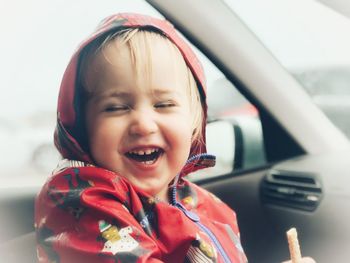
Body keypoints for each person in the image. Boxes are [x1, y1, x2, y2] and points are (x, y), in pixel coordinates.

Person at [35, 13, 314, 263]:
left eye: (164, 105)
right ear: (83, 126)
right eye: (116, 107)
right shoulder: (77, 199)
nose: (143, 124)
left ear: (194, 123)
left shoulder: (208, 206)